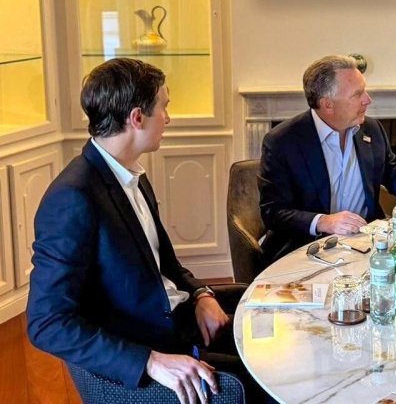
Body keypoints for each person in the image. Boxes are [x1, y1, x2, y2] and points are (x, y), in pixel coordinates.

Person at [27, 59, 266, 403]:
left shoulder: (131, 175)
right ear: (137, 118)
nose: (168, 118)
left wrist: (201, 295)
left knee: (277, 333)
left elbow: (165, 265)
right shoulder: (72, 198)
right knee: (273, 384)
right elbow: (46, 323)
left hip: (178, 320)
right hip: (151, 346)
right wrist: (150, 362)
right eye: (164, 107)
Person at [259, 55, 396, 264]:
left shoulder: (371, 129)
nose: (368, 100)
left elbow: (392, 168)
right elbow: (273, 212)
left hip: (368, 245)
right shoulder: (283, 141)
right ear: (328, 104)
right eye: (357, 94)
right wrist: (324, 222)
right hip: (307, 250)